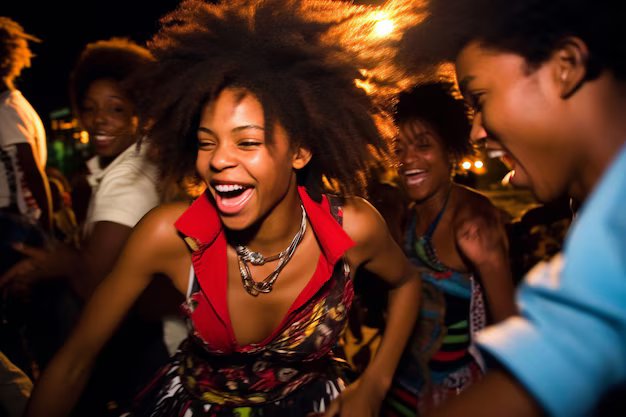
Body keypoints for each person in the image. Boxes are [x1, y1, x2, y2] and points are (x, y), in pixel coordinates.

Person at [23, 1, 422, 417]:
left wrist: (375, 383)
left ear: (300, 151)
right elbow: (73, 362)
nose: (217, 160)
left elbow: (407, 284)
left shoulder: (351, 227)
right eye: (206, 142)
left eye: (247, 142)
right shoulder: (170, 235)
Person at [397, 0, 626, 416]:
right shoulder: (599, 222)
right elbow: (553, 359)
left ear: (565, 67)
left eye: (480, 99)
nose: (477, 131)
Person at [1, 38, 172, 415]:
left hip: (152, 357)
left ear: (141, 111)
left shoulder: (128, 179)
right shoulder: (133, 164)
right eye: (90, 108)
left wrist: (57, 264)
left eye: (116, 108)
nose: (99, 119)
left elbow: (96, 282)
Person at [381, 82, 516, 416]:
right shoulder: (407, 217)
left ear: (451, 151)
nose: (407, 159)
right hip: (402, 388)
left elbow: (510, 328)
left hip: (458, 396)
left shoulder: (474, 217)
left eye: (423, 145)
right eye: (399, 148)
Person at [0, 17, 51, 231]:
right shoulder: (16, 104)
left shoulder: (5, 109)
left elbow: (32, 172)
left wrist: (47, 228)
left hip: (12, 221)